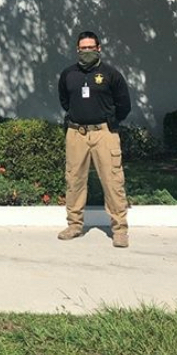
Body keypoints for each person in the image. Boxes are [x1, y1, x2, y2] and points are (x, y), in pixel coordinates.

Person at [58, 31, 131, 248]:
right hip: (76, 133)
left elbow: (124, 105)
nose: (87, 51)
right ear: (77, 50)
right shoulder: (68, 74)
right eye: (83, 48)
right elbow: (64, 101)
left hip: (104, 133)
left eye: (91, 47)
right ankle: (74, 225)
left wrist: (108, 121)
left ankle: (119, 229)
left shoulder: (111, 74)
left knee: (113, 181)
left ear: (99, 49)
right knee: (74, 180)